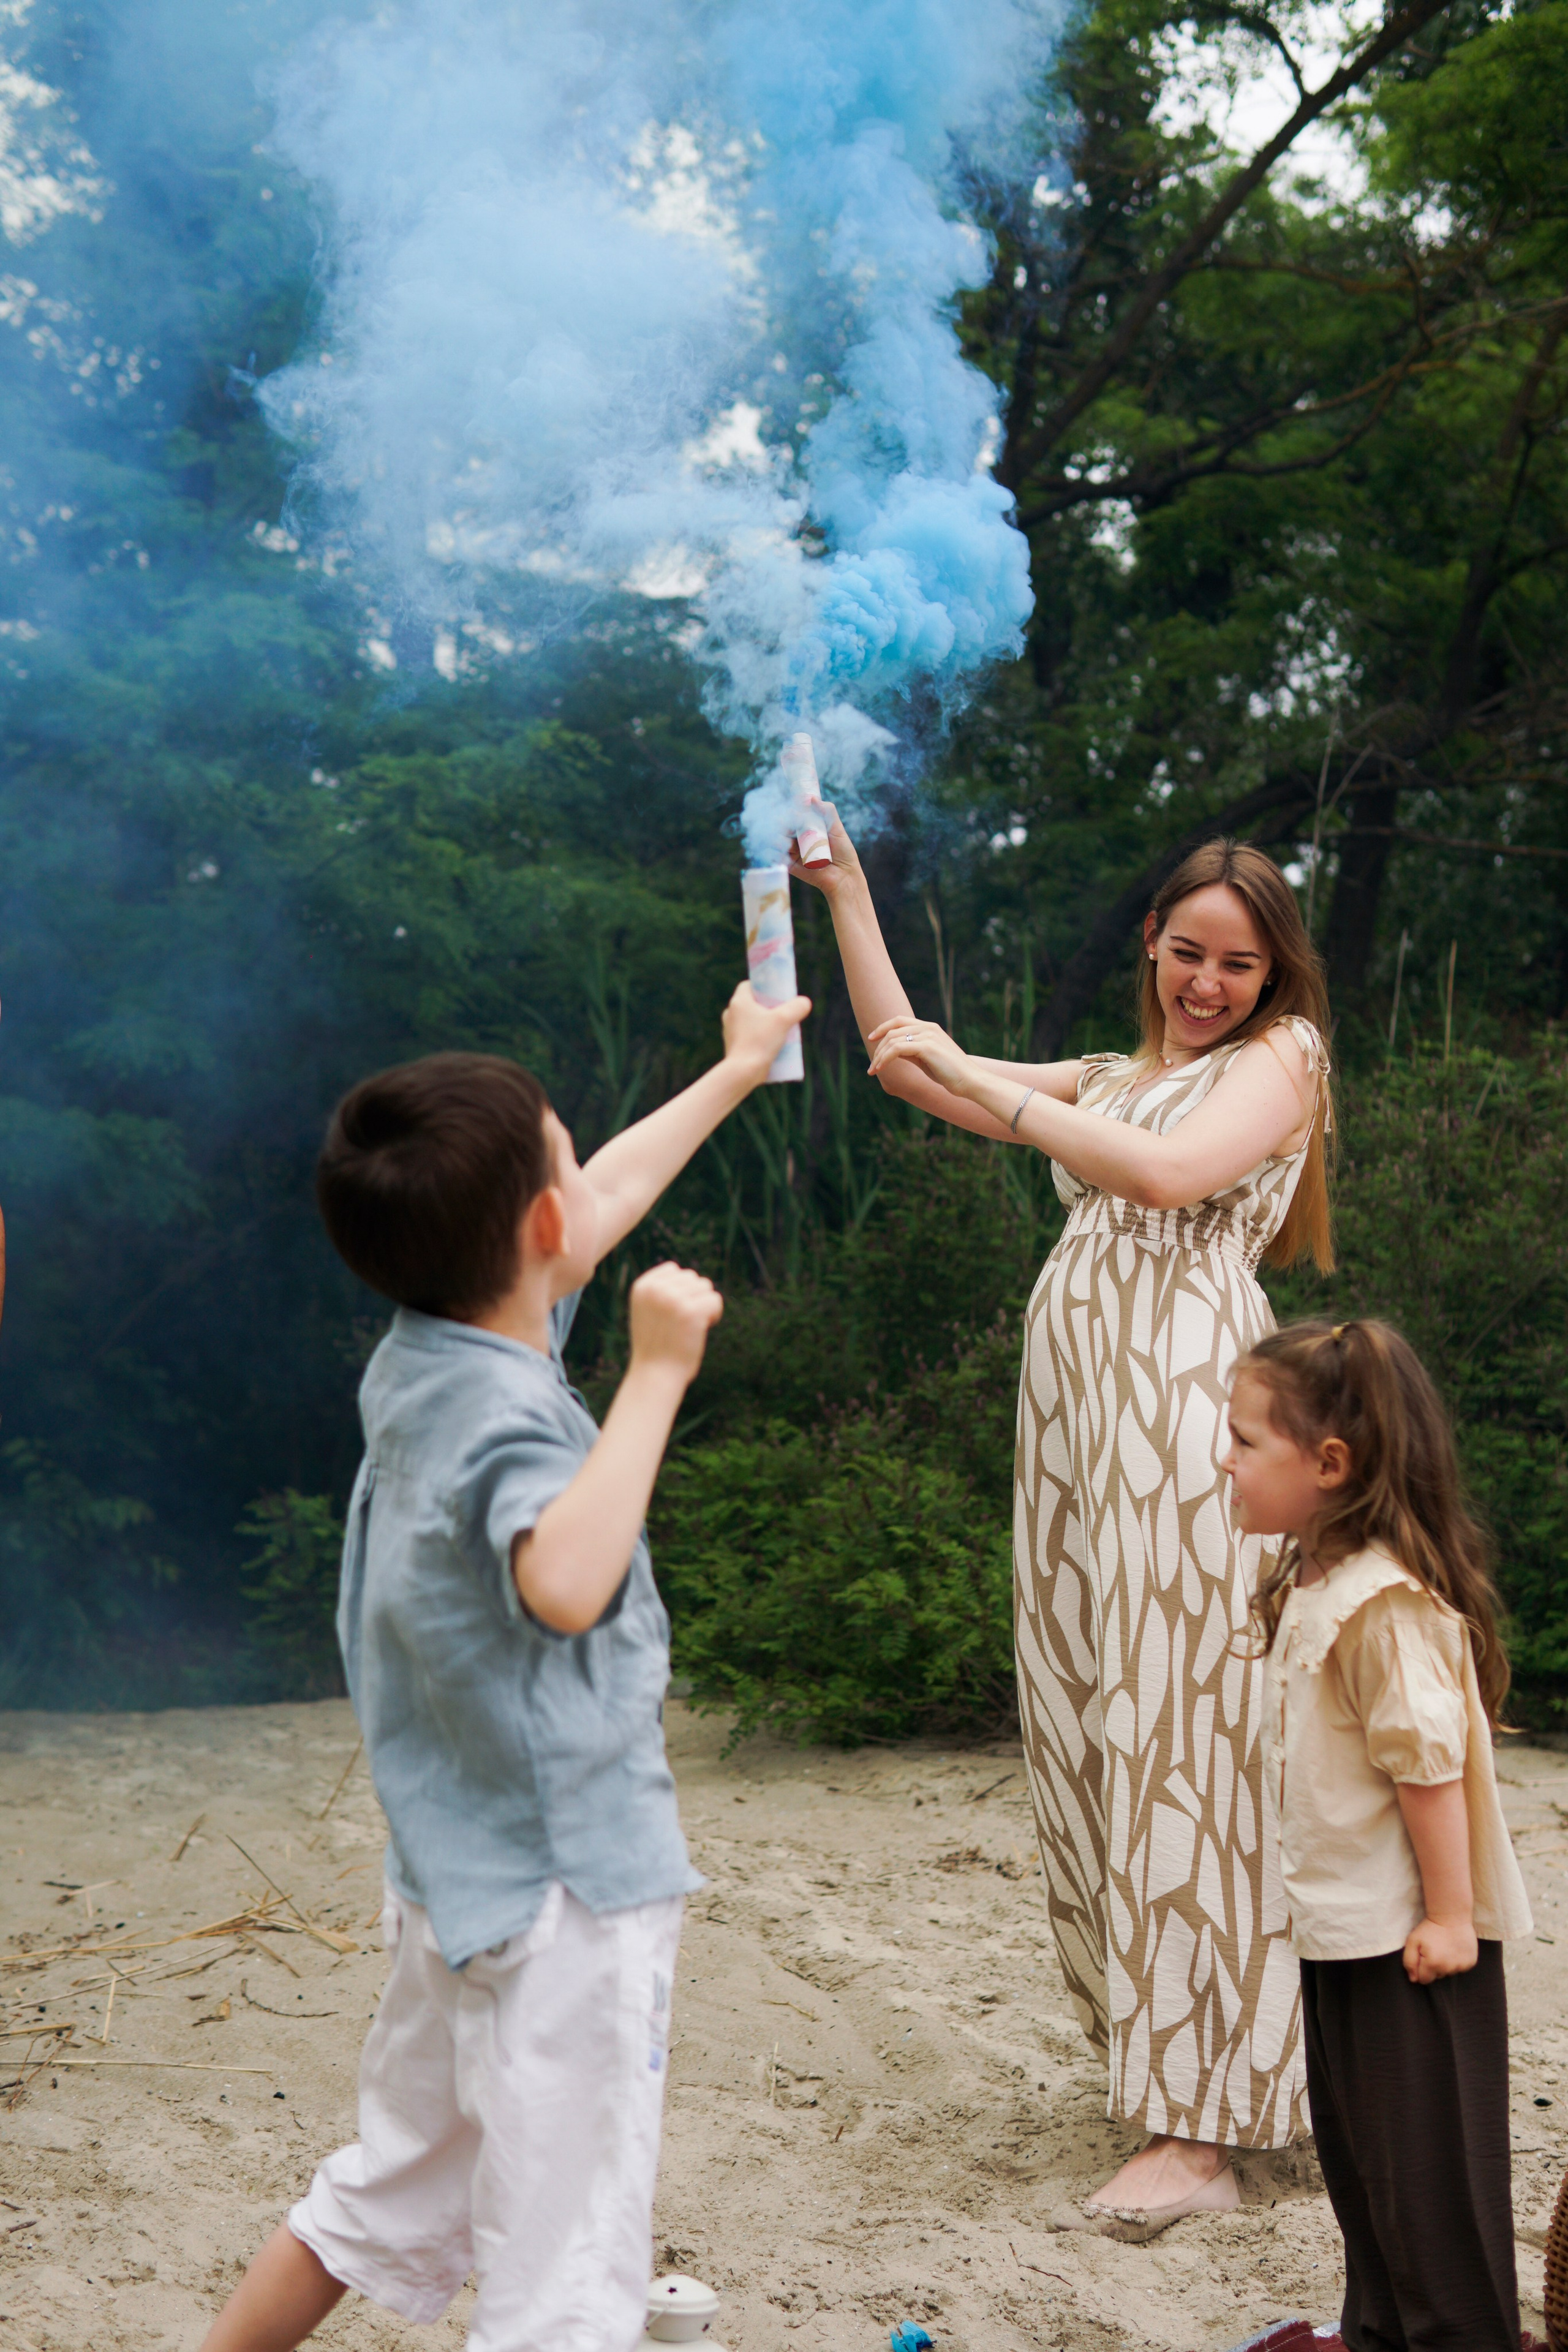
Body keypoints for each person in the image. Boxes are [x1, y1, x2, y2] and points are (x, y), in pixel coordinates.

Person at [197, 978, 809, 2352]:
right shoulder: (514, 1419)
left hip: (450, 1883)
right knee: (565, 2284)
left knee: (382, 2194)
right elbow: (567, 1580)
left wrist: (735, 1067)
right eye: (561, 1161)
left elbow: (601, 1196)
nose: (586, 1183)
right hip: (565, 1902)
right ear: (541, 1232)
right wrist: (654, 1377)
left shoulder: (431, 1351)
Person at [797, 823, 1332, 2235]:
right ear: (1149, 944)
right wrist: (849, 896)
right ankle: (1162, 2069)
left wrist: (1003, 1099)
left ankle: (1200, 2131)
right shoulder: (1111, 1077)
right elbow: (909, 1058)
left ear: (1271, 971)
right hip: (1078, 1437)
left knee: (1184, 1739)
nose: (1206, 982)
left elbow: (1161, 1178)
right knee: (1092, 1729)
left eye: (1236, 962)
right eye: (1184, 954)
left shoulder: (1279, 1063)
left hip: (1191, 1427)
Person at [1225, 1317, 1534, 2352]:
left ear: (1329, 1464)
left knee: (1432, 2191)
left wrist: (1450, 1917)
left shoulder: (1383, 1608)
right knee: (1370, 2180)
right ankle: (1380, 2336)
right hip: (1347, 1937)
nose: (1222, 1458)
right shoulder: (1315, 1583)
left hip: (1416, 1948)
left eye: (1243, 1440)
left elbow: (1428, 1768)